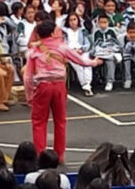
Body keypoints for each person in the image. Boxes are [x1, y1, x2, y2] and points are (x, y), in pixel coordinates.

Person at [24, 20, 101, 160]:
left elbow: (28, 76)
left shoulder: (34, 51)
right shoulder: (62, 47)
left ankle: (40, 155)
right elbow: (80, 61)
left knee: (39, 121)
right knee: (60, 121)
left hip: (42, 85)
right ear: (53, 33)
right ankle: (59, 155)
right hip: (59, 84)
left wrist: (29, 95)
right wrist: (94, 62)